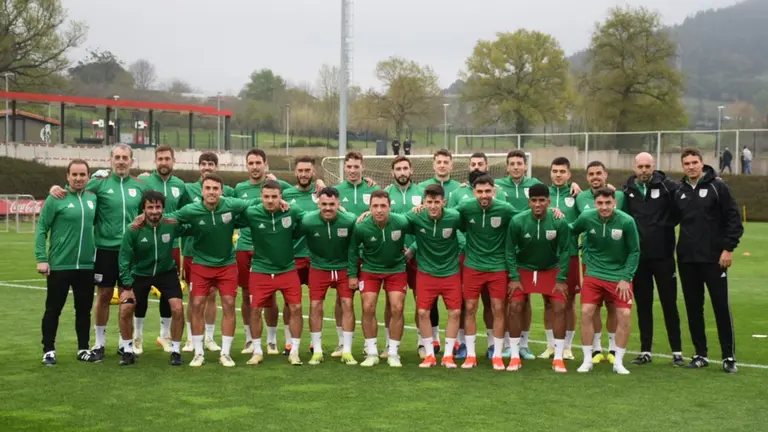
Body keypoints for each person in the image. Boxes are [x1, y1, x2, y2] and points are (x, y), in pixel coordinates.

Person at [49, 144, 150, 361]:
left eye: (125, 157)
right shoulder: (99, 184)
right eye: (117, 157)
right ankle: (99, 343)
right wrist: (56, 188)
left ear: (132, 161)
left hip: (130, 252)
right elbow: (75, 189)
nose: (121, 161)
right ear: (110, 160)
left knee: (128, 297)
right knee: (103, 295)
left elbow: (152, 208)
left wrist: (143, 217)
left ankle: (126, 344)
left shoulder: (141, 186)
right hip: (105, 250)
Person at [167, 173, 253, 367]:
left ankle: (225, 353)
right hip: (201, 264)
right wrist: (147, 219)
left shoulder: (231, 204)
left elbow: (254, 202)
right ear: (202, 191)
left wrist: (279, 201)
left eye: (215, 189)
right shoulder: (192, 209)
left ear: (221, 191)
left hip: (227, 264)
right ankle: (198, 352)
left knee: (229, 304)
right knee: (196, 304)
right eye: (208, 188)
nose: (212, 192)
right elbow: (171, 218)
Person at [674, 148, 743, 373]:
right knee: (694, 309)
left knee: (720, 306)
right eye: (686, 163)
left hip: (715, 259)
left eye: (694, 162)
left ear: (702, 164)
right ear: (682, 167)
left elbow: (734, 219)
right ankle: (700, 354)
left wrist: (728, 249)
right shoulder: (679, 191)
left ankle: (728, 357)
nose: (691, 166)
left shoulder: (718, 186)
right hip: (687, 260)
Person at [35, 159, 100, 365]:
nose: (79, 178)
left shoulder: (93, 198)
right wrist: (41, 258)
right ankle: (49, 350)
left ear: (88, 177)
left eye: (83, 175)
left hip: (86, 266)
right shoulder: (56, 198)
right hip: (60, 265)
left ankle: (83, 348)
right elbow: (42, 228)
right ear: (67, 176)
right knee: (53, 309)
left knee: (83, 310)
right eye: (75, 174)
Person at [569, 188, 640, 375]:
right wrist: (556, 217)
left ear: (614, 203)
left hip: (619, 276)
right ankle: (587, 360)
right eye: (600, 203)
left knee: (624, 314)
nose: (604, 207)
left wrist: (626, 277)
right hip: (593, 273)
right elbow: (571, 230)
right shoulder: (586, 217)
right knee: (586, 312)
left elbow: (634, 251)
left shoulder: (627, 221)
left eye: (608, 203)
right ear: (595, 204)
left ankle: (618, 361)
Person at [623, 152, 683, 366]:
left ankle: (677, 351)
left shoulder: (668, 186)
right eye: (641, 167)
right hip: (640, 259)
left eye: (648, 166)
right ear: (634, 167)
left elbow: (684, 201)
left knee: (669, 303)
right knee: (644, 305)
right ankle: (645, 350)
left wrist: (665, 226)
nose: (644, 170)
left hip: (664, 256)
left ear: (654, 166)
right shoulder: (627, 189)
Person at [506, 184, 571, 373]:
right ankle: (515, 356)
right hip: (524, 269)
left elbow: (566, 250)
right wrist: (514, 276)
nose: (537, 204)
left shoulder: (559, 222)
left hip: (550, 269)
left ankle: (558, 357)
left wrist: (561, 278)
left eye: (542, 200)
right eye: (534, 200)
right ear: (529, 202)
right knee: (515, 306)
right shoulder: (518, 221)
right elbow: (509, 250)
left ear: (548, 202)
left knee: (559, 307)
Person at [118, 191, 187, 366]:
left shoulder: (171, 224)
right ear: (143, 209)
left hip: (166, 272)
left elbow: (191, 226)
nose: (154, 211)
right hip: (140, 273)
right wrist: (127, 285)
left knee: (178, 309)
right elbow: (124, 259)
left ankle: (176, 350)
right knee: (126, 308)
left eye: (158, 207)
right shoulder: (133, 229)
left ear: (163, 208)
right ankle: (127, 350)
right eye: (150, 207)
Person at [234, 149, 292, 356]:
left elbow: (302, 194)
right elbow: (231, 209)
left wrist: (319, 185)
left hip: (268, 250)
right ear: (246, 165)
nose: (255, 166)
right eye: (251, 163)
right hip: (244, 247)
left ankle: (272, 339)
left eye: (259, 162)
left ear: (265, 164)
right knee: (246, 295)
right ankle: (250, 338)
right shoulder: (239, 188)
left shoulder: (280, 186)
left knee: (271, 296)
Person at [243, 180, 306, 366]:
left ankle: (294, 350)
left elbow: (312, 217)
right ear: (261, 197)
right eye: (266, 197)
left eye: (274, 197)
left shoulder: (292, 211)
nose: (270, 201)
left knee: (295, 308)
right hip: (261, 270)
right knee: (255, 310)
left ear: (281, 197)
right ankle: (257, 350)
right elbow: (233, 207)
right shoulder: (252, 212)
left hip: (287, 269)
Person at [456, 175, 515, 370]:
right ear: (474, 192)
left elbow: (525, 219)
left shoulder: (505, 210)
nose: (484, 195)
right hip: (473, 266)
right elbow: (444, 216)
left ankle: (497, 354)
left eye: (488, 191)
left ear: (494, 191)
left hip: (498, 267)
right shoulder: (466, 208)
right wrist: (421, 208)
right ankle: (471, 355)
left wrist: (554, 212)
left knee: (498, 308)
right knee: (470, 308)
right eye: (480, 191)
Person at [136, 145, 190, 354]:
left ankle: (165, 335)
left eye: (167, 158)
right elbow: (136, 209)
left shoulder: (180, 185)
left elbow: (185, 210)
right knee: (141, 292)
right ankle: (137, 336)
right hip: (146, 245)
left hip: (171, 245)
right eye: (160, 159)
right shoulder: (145, 182)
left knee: (169, 293)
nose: (164, 162)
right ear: (155, 161)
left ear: (173, 160)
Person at [349, 190, 411, 368]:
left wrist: (412, 249)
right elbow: (353, 251)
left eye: (383, 206)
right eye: (375, 206)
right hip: (370, 270)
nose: (379, 210)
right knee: (368, 307)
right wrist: (352, 275)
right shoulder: (361, 226)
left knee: (397, 308)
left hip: (396, 269)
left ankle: (393, 352)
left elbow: (424, 229)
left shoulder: (401, 221)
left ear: (390, 207)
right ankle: (372, 352)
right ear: (369, 208)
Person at [295, 187, 358, 365]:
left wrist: (353, 274)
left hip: (343, 267)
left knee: (347, 304)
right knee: (315, 306)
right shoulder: (307, 221)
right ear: (318, 203)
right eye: (324, 204)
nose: (328, 208)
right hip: (318, 267)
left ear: (338, 204)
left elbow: (354, 249)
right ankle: (317, 350)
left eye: (332, 204)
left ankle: (346, 350)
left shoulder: (350, 221)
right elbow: (291, 235)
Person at [181, 152, 235, 354]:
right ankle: (190, 338)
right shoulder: (187, 189)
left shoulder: (227, 191)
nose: (207, 167)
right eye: (203, 164)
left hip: (218, 254)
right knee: (194, 296)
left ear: (216, 168)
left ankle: (210, 337)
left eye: (211, 164)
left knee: (212, 295)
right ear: (199, 167)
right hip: (191, 251)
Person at [406, 184, 463, 368]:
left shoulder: (454, 217)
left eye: (436, 202)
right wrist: (366, 214)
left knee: (455, 312)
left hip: (450, 273)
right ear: (423, 202)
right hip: (426, 273)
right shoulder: (416, 216)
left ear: (444, 202)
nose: (433, 206)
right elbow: (394, 220)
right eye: (429, 202)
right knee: (423, 312)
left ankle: (447, 356)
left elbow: (469, 229)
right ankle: (429, 355)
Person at [446, 152, 495, 360]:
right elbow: (450, 220)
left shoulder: (496, 192)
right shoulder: (458, 193)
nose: (476, 167)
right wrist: (461, 244)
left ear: (487, 166)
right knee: (467, 302)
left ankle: (493, 344)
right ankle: (463, 344)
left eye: (480, 164)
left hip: (492, 257)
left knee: (491, 302)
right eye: (473, 164)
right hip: (465, 256)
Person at [575, 160, 624, 364]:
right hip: (591, 260)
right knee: (592, 306)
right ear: (587, 178)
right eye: (591, 174)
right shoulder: (579, 198)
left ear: (606, 175)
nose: (595, 177)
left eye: (598, 173)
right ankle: (596, 349)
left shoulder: (619, 195)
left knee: (613, 305)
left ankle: (612, 348)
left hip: (615, 261)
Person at [282, 156, 328, 356]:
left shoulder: (321, 194)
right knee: (289, 302)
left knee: (316, 301)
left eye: (307, 170)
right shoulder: (285, 194)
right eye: (300, 170)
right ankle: (289, 341)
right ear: (295, 172)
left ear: (314, 172)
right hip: (293, 256)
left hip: (316, 257)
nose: (303, 174)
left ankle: (313, 341)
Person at [417, 149, 461, 352]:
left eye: (446, 162)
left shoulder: (457, 207)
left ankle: (454, 348)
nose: (442, 165)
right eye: (439, 162)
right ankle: (427, 346)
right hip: (423, 264)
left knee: (460, 309)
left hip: (453, 264)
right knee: (423, 309)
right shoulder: (419, 196)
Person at [384, 156, 426, 358]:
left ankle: (422, 343)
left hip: (419, 255)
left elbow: (425, 226)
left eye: (405, 168)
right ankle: (388, 344)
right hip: (393, 257)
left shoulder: (422, 193)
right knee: (391, 302)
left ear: (411, 171)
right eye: (398, 169)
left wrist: (413, 249)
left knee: (422, 300)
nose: (402, 172)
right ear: (393, 172)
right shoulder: (384, 194)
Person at [539, 157, 580, 361]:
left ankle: (568, 347)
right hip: (546, 255)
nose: (558, 174)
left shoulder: (576, 195)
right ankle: (550, 346)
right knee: (548, 302)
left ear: (569, 174)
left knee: (569, 301)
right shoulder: (543, 195)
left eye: (562, 171)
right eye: (555, 171)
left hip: (569, 255)